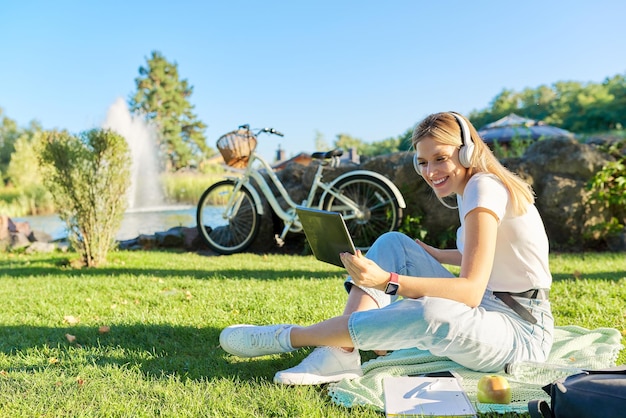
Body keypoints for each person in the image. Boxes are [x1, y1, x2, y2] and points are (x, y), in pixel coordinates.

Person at [219, 111, 554, 385]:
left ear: (467, 152)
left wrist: (389, 281)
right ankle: (343, 353)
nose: (430, 172)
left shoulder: (483, 187)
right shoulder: (473, 187)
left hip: (522, 331)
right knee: (395, 242)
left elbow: (469, 290)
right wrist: (435, 256)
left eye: (440, 158)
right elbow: (489, 254)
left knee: (430, 314)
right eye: (422, 162)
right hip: (491, 303)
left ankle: (290, 337)